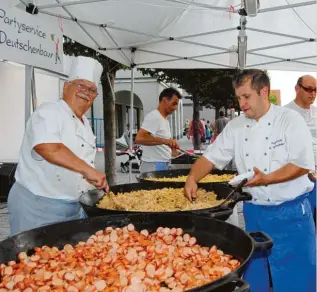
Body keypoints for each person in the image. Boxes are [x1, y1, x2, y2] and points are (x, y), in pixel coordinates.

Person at [184, 69, 316, 292]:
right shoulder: (236, 126)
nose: (241, 104)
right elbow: (210, 157)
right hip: (254, 213)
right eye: (238, 98)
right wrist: (192, 178)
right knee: (255, 281)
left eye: (246, 97)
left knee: (297, 279)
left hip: (291, 215)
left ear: (263, 92)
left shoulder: (288, 119)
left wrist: (267, 179)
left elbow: (302, 164)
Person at [8, 56, 109, 235]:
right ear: (66, 87)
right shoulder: (48, 111)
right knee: (33, 259)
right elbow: (48, 148)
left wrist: (94, 181)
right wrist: (88, 171)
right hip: (38, 206)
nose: (86, 92)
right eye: (80, 85)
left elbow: (82, 161)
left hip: (74, 207)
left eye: (92, 90)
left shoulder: (85, 124)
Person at [284, 75, 316, 222]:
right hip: (296, 175)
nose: (313, 93)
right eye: (309, 89)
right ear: (297, 89)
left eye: (316, 90)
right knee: (300, 219)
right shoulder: (284, 114)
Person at [135, 87, 182, 173]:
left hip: (162, 163)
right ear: (164, 100)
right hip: (153, 165)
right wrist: (166, 141)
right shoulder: (154, 117)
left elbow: (160, 144)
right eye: (174, 103)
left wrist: (172, 152)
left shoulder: (164, 120)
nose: (175, 108)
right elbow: (139, 138)